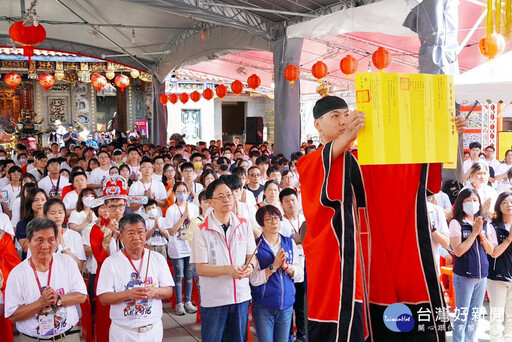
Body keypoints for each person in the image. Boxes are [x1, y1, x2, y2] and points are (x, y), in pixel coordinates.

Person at [191, 179, 256, 342]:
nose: (227, 199)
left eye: (229, 195)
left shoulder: (244, 224)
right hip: (215, 299)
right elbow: (201, 269)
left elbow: (251, 255)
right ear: (210, 202)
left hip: (240, 296)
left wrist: (251, 267)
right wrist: (227, 269)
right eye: (221, 196)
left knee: (238, 339)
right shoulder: (202, 230)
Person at [5, 218, 87, 341]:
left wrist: (58, 299)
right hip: (32, 339)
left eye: (51, 240)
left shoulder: (67, 262)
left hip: (67, 337)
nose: (45, 246)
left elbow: (81, 296)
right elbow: (12, 316)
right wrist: (41, 303)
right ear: (29, 242)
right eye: (39, 240)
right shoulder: (17, 273)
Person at [96, 214, 174, 341]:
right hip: (123, 332)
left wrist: (154, 291)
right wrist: (129, 294)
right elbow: (104, 298)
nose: (136, 237)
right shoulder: (111, 263)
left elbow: (168, 291)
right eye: (131, 233)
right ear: (121, 237)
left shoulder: (157, 258)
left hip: (152, 330)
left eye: (140, 232)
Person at [250, 205, 304, 342]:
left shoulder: (289, 243)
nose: (274, 222)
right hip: (264, 305)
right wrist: (273, 266)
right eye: (269, 219)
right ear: (261, 224)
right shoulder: (255, 246)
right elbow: (254, 279)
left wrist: (286, 267)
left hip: (286, 304)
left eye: (277, 218)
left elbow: (299, 275)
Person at [449, 188, 496, 342]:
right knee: (462, 316)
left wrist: (481, 233)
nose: (472, 203)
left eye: (475, 200)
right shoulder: (457, 223)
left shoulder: (484, 223)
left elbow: (490, 250)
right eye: (467, 200)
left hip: (482, 276)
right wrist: (474, 232)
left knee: (475, 316)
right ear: (461, 203)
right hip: (464, 277)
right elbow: (458, 251)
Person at [164, 182, 199, 315]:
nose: (182, 194)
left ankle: (188, 301)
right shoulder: (171, 210)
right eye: (179, 191)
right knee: (179, 275)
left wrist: (189, 218)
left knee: (189, 275)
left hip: (190, 247)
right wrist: (182, 218)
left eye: (184, 191)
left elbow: (197, 228)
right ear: (174, 193)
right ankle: (179, 302)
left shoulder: (194, 208)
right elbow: (171, 231)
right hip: (177, 247)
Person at [279, 188, 306, 342]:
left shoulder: (304, 219)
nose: (291, 203)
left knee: (301, 305)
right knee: (289, 304)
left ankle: (301, 334)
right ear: (282, 204)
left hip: (305, 266)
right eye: (287, 201)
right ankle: (288, 334)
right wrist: (294, 241)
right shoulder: (281, 223)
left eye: (293, 200)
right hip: (289, 269)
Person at [487, 191, 512, 341]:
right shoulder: (493, 227)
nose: (509, 205)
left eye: (511, 202)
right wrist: (509, 239)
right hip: (498, 277)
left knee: (511, 315)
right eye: (505, 202)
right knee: (496, 315)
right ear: (499, 207)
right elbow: (494, 253)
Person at [16, 189, 48, 260]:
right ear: (30, 203)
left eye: (43, 200)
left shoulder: (51, 222)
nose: (40, 203)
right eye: (36, 200)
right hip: (30, 261)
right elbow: (26, 248)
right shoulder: (22, 224)